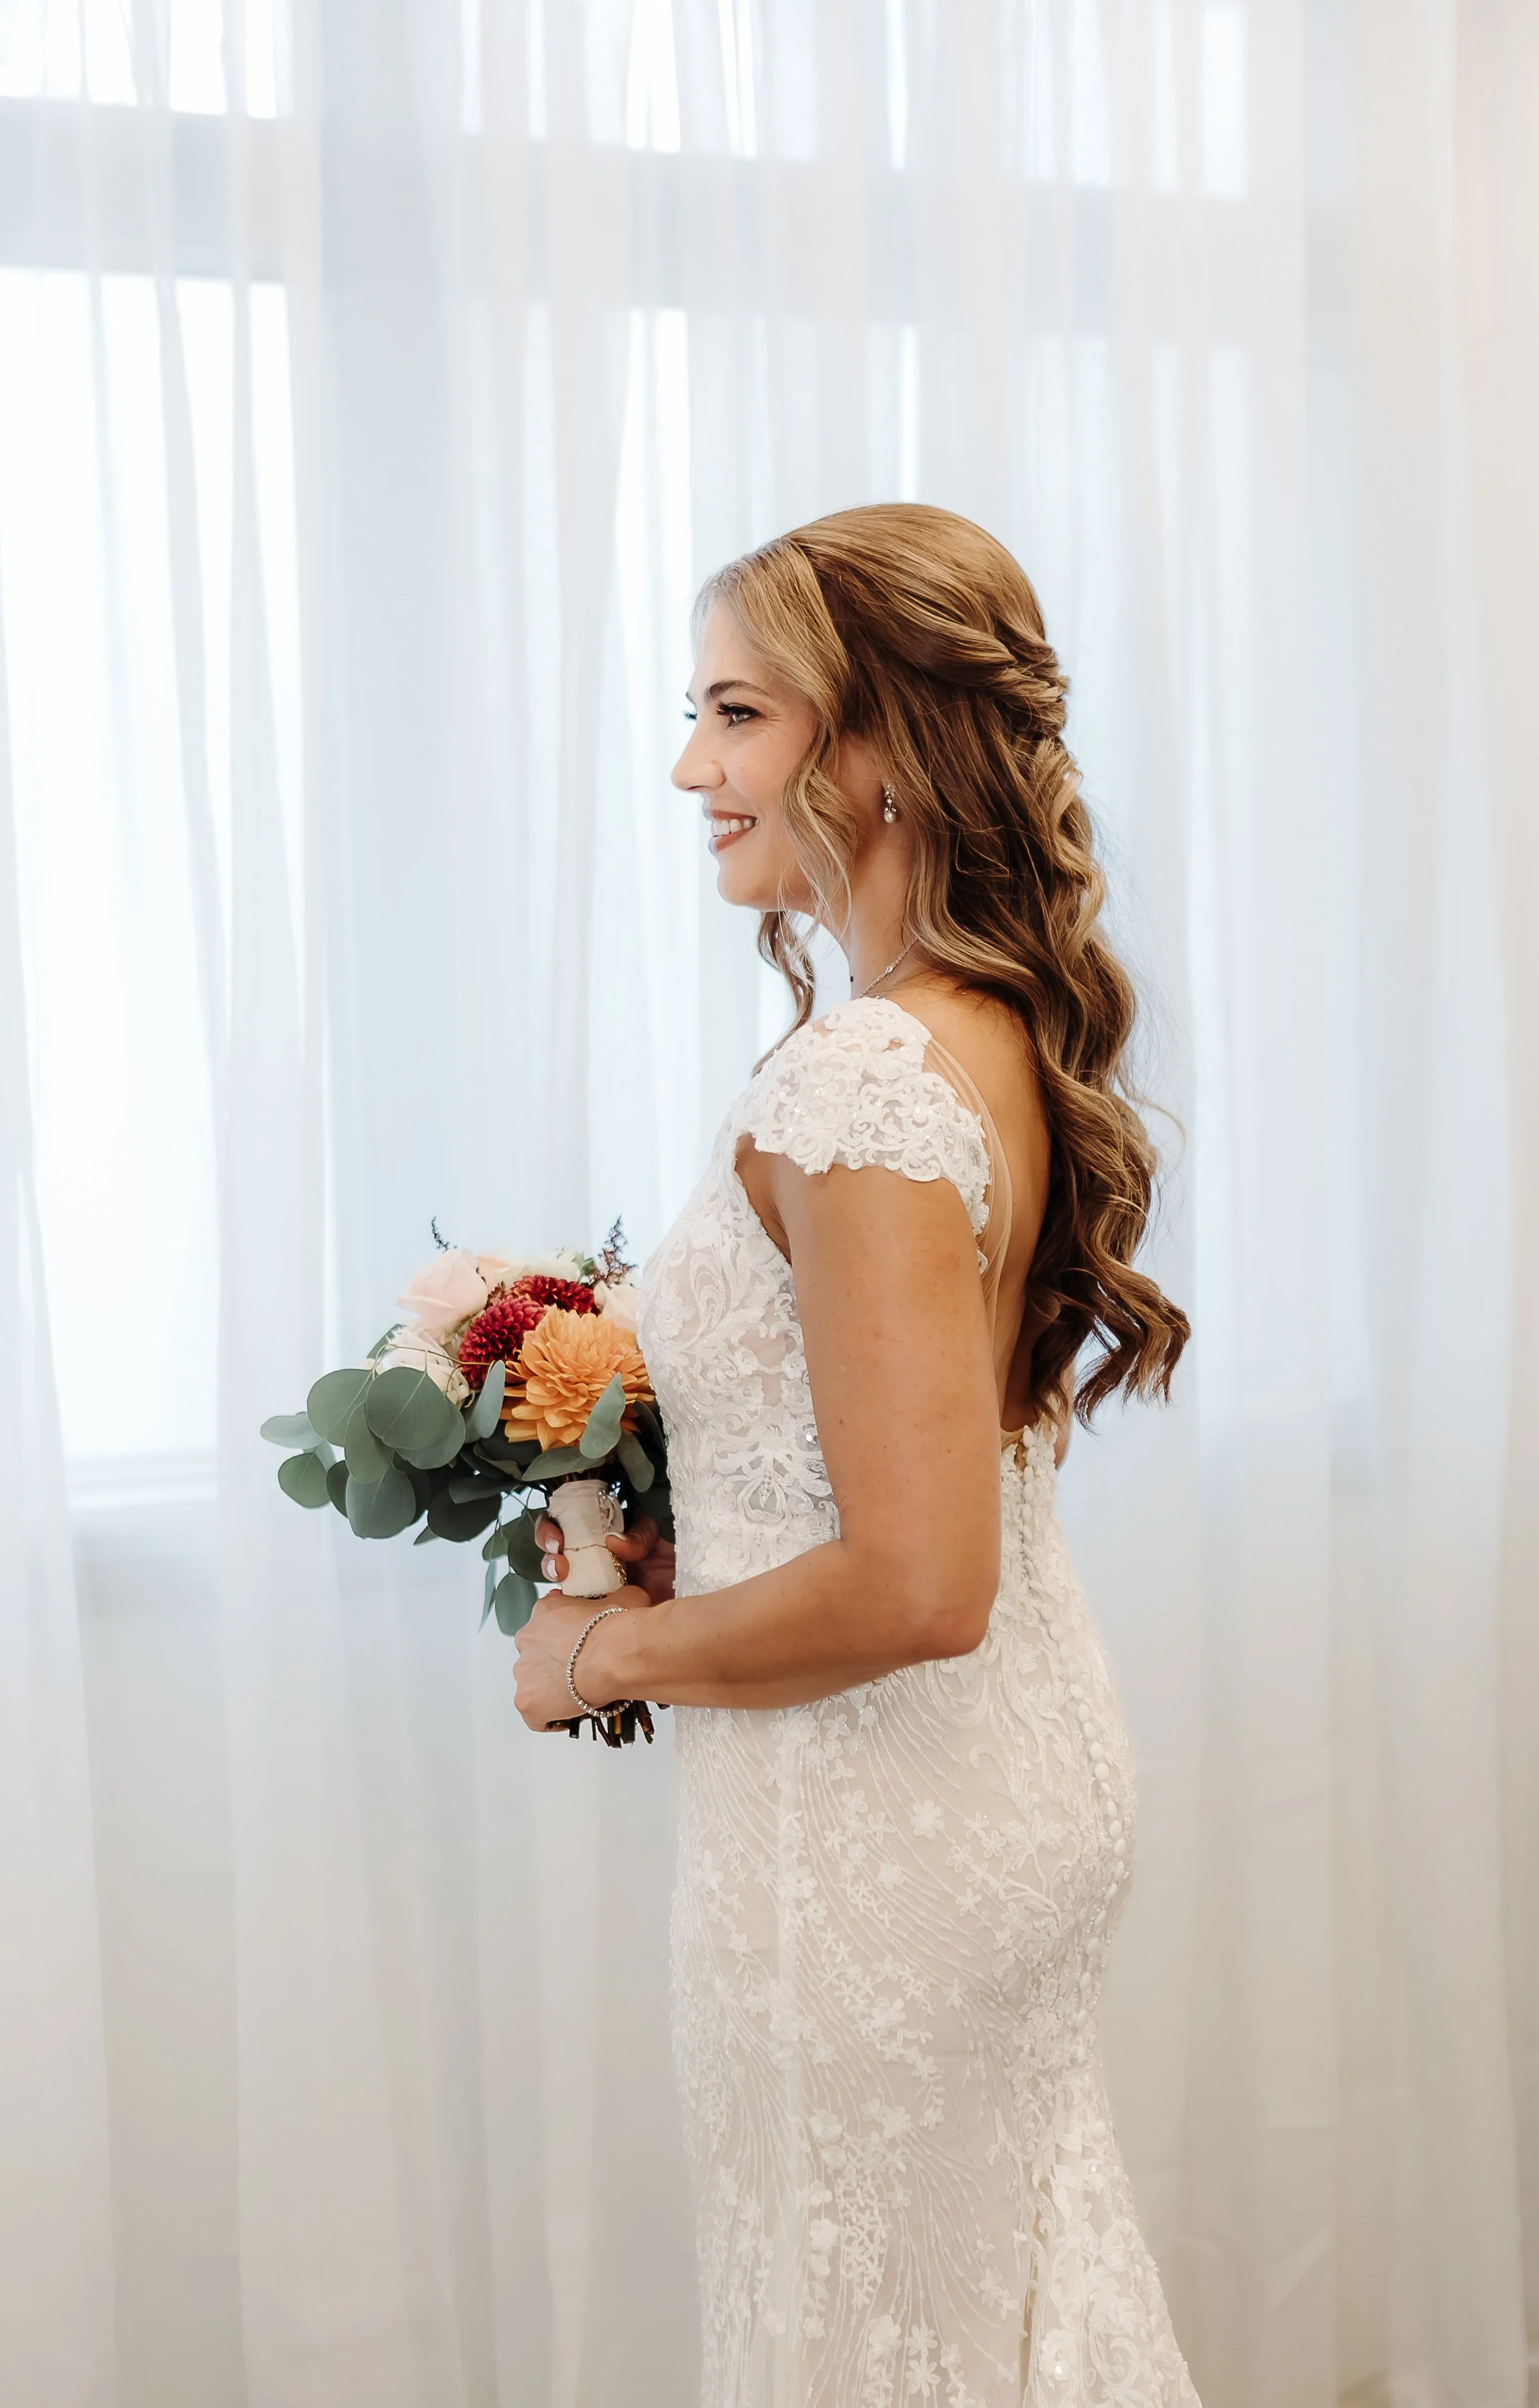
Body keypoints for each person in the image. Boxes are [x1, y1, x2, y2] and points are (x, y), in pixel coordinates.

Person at [513, 503, 1200, 2406]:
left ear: (878, 747)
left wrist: (602, 1653)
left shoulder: (857, 1082)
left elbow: (915, 1579)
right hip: (990, 1790)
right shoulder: (973, 1034)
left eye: (736, 713)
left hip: (874, 1829)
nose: (688, 765)